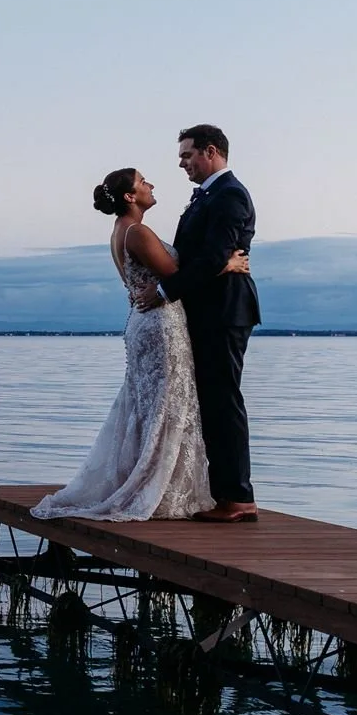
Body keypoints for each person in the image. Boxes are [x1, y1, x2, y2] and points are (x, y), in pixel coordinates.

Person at [31, 168, 251, 522]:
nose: (151, 186)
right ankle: (156, 484)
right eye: (143, 182)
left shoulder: (121, 231)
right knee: (167, 402)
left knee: (150, 403)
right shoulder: (137, 232)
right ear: (130, 197)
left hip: (144, 318)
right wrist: (226, 263)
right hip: (160, 322)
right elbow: (172, 274)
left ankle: (153, 477)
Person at [142, 124, 262, 522]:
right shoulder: (208, 196)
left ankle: (238, 498)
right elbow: (205, 257)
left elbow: (212, 257)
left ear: (210, 152)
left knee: (223, 401)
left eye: (186, 156)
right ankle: (224, 492)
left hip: (225, 311)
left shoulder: (229, 195)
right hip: (209, 309)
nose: (182, 164)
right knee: (212, 402)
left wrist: (163, 292)